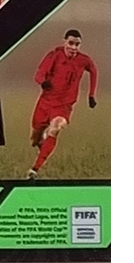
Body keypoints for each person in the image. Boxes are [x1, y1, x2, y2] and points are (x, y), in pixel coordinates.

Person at [27, 29, 98, 179]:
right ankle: (43, 146)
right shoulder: (54, 56)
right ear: (65, 42)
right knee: (34, 139)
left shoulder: (83, 60)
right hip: (46, 103)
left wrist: (91, 95)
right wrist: (43, 82)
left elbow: (93, 70)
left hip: (64, 106)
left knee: (56, 126)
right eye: (71, 43)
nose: (74, 47)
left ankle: (35, 169)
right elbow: (39, 74)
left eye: (77, 44)